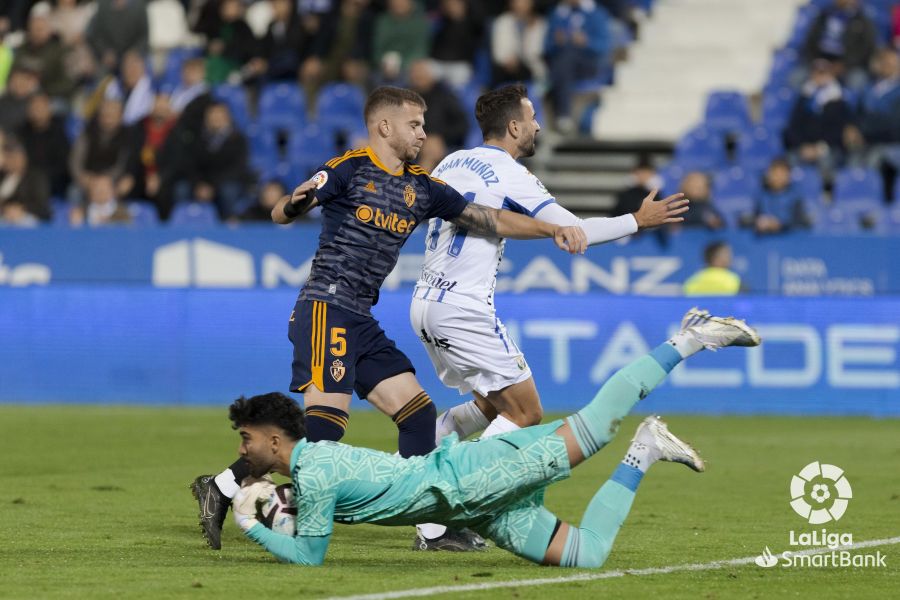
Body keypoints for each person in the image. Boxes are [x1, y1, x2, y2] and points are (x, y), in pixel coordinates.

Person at [191, 85, 587, 551]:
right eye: (414, 124)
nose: (423, 133)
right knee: (324, 432)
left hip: (360, 317)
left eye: (423, 124)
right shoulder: (349, 169)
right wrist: (294, 203)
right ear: (384, 126)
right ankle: (224, 488)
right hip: (325, 308)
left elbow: (490, 219)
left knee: (418, 415)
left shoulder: (421, 187)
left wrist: (554, 227)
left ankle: (432, 529)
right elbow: (282, 211)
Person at [228, 308, 761, 566]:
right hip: (471, 506)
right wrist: (277, 504)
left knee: (598, 424)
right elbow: (318, 521)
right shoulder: (310, 471)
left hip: (476, 478)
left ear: (274, 440)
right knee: (586, 555)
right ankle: (646, 450)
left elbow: (309, 557)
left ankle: (691, 338)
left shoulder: (315, 470)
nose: (241, 450)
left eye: (245, 439)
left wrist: (252, 522)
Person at [409, 84, 686, 547]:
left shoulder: (451, 161)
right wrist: (637, 221)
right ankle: (453, 508)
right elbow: (572, 231)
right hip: (463, 307)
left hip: (425, 301)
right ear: (514, 126)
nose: (538, 125)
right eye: (532, 116)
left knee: (491, 405)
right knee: (525, 409)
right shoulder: (507, 170)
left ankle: (444, 435)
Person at [753, 158, 808, 234]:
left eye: (782, 173)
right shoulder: (761, 197)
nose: (778, 177)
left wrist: (780, 226)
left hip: (789, 242)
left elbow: (798, 224)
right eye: (775, 173)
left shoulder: (796, 198)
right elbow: (755, 219)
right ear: (768, 175)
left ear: (789, 176)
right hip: (765, 242)